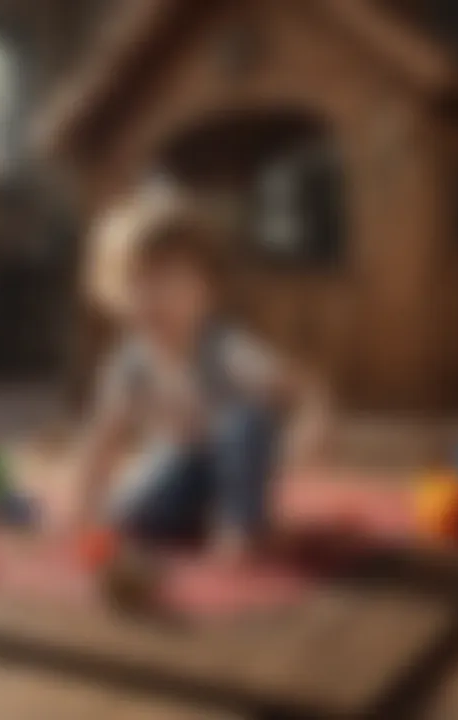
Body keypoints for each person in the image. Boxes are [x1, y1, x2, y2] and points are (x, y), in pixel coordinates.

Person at [71, 189, 328, 564]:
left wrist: (311, 427)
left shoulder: (228, 350)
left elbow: (305, 389)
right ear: (113, 291)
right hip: (183, 463)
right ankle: (203, 516)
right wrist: (85, 509)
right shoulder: (128, 366)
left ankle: (241, 523)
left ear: (207, 290)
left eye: (169, 279)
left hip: (238, 462)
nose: (150, 296)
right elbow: (103, 438)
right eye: (136, 280)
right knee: (129, 520)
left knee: (245, 422)